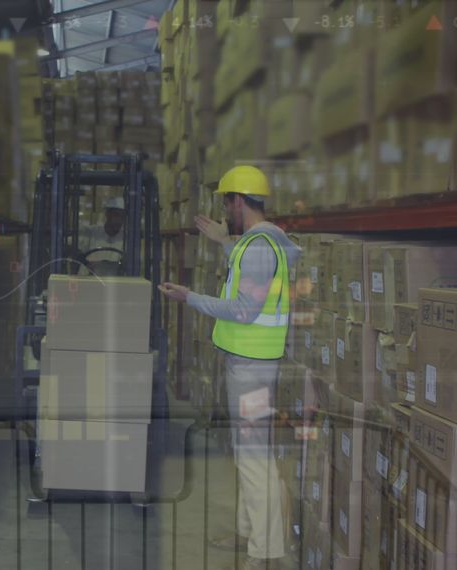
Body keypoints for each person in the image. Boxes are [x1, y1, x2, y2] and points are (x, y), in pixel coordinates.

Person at [159, 165, 300, 570]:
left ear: (239, 201)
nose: (224, 211)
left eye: (226, 203)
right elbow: (249, 280)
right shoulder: (258, 242)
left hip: (253, 370)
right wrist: (224, 242)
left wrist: (189, 297)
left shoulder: (259, 246)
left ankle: (265, 552)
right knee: (246, 451)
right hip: (249, 364)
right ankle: (248, 532)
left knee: (254, 456)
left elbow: (242, 307)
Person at [78, 197, 129, 276]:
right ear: (107, 215)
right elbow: (72, 247)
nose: (119, 220)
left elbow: (127, 266)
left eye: (122, 217)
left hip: (115, 284)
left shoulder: (126, 239)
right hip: (87, 281)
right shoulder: (90, 233)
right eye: (116, 215)